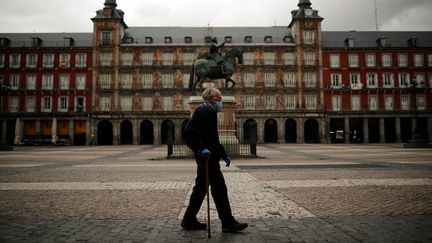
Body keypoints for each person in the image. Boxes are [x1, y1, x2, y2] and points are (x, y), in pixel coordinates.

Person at [181, 88, 248, 233]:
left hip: (209, 157)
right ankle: (228, 222)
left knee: (200, 188)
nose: (220, 102)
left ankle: (188, 219)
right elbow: (188, 133)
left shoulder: (210, 113)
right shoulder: (203, 112)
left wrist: (223, 154)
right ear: (210, 99)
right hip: (206, 158)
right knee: (219, 188)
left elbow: (213, 140)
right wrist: (200, 149)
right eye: (218, 99)